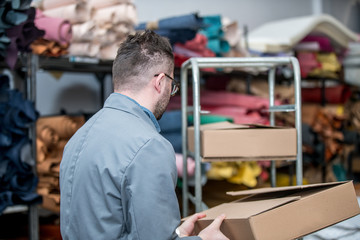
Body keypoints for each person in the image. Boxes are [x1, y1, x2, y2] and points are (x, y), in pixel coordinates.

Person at [59, 30, 229, 240]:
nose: (170, 92)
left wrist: (176, 234)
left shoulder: (79, 136)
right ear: (159, 81)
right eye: (172, 85)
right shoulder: (149, 146)